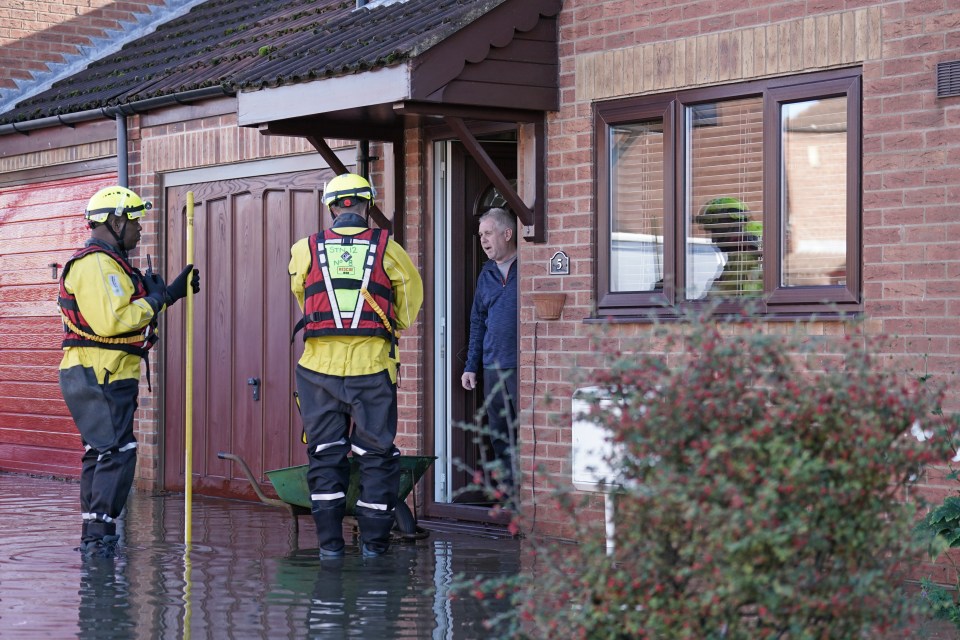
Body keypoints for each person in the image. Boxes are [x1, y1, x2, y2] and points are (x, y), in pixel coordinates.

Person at [58, 185, 199, 558]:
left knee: (102, 452)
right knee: (117, 452)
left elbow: (126, 314)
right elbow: (113, 321)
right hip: (98, 374)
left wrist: (160, 296)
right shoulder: (96, 263)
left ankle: (96, 535)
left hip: (101, 373)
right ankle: (100, 542)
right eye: (134, 221)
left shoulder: (110, 264)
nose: (139, 230)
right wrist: (164, 296)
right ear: (115, 220)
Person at [289, 173, 423, 558]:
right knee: (376, 458)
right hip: (372, 368)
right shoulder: (389, 248)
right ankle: (374, 550)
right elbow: (409, 302)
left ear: (332, 207)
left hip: (318, 370)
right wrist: (384, 326)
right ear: (367, 206)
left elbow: (303, 295)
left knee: (326, 454)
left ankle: (330, 549)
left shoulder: (305, 249)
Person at [460, 207, 518, 502]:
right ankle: (507, 497)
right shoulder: (486, 274)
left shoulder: (527, 266)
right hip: (492, 366)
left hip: (523, 368)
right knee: (499, 436)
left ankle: (530, 501)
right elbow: (477, 322)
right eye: (481, 234)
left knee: (527, 433)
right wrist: (471, 366)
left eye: (488, 233)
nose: (483, 239)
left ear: (507, 234)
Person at [694, 196, 763, 296]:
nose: (713, 239)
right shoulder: (744, 247)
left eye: (715, 230)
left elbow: (723, 298)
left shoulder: (746, 249)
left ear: (730, 223)